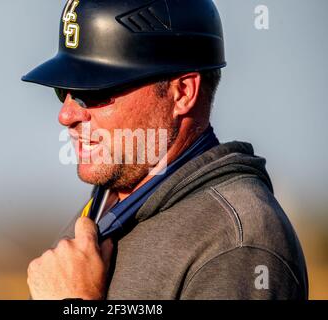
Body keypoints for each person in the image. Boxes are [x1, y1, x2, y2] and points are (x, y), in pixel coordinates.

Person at [22, 0, 308, 300]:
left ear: (183, 93)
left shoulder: (237, 244)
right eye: (63, 91)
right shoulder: (98, 214)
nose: (66, 115)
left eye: (92, 91)